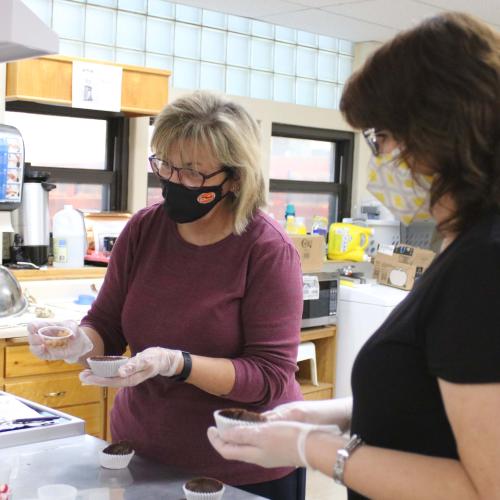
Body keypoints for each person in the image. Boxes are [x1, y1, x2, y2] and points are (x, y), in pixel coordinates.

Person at [207, 12, 500, 499]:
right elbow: (431, 408)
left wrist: (313, 449)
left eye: (380, 137)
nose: (377, 156)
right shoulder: (463, 247)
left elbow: (485, 489)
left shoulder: (482, 265)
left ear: (435, 132)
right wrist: (317, 414)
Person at [27, 91, 306, 499]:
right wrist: (78, 342)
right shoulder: (143, 230)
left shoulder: (267, 250)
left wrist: (177, 363)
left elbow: (268, 377)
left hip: (243, 469)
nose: (175, 182)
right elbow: (106, 324)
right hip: (142, 456)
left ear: (234, 178)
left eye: (194, 173)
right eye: (166, 166)